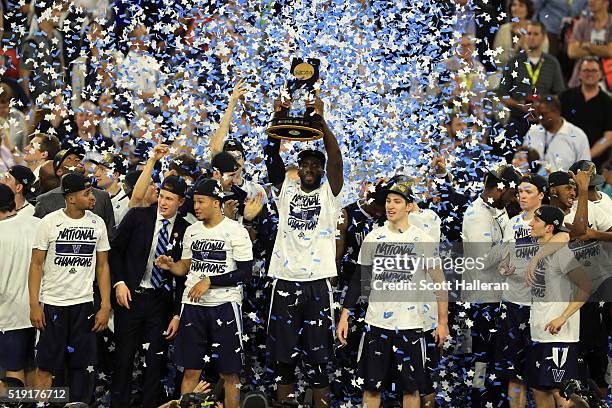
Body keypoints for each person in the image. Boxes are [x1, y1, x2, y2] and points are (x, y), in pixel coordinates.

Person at [337, 177, 449, 408]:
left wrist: (442, 322)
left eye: (397, 201)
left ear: (409, 206)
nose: (390, 206)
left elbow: (440, 283)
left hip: (411, 325)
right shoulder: (374, 237)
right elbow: (359, 279)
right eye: (388, 201)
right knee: (371, 387)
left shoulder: (422, 239)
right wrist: (345, 315)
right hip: (377, 324)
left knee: (411, 389)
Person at [263, 96, 343, 408]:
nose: (309, 169)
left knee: (319, 360)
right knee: (283, 360)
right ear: (298, 168)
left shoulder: (330, 193)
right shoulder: (286, 190)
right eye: (304, 164)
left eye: (315, 165)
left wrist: (321, 123)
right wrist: (278, 117)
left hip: (318, 282)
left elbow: (336, 159)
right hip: (284, 279)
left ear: (321, 171)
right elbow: (271, 155)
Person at [155, 178, 253, 408]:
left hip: (225, 305)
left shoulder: (236, 231)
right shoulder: (192, 230)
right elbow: (185, 267)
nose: (195, 207)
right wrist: (171, 265)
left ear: (216, 202)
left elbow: (245, 273)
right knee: (191, 371)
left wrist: (211, 281)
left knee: (229, 373)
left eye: (200, 202)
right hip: (193, 306)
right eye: (194, 202)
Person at [28, 172, 111, 404]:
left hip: (84, 305)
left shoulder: (97, 223)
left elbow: (103, 267)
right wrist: (34, 304)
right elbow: (35, 265)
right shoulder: (49, 222)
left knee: (81, 368)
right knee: (45, 366)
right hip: (53, 304)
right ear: (71, 197)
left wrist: (105, 305)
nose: (92, 197)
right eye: (87, 193)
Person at [109, 176, 190, 408]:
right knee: (123, 360)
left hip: (160, 303)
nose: (163, 203)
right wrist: (119, 283)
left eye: (170, 199)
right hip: (130, 298)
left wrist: (177, 314)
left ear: (181, 202)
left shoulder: (186, 229)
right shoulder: (138, 216)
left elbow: (184, 276)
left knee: (155, 361)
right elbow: (115, 251)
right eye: (162, 196)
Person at [461, 163, 522, 407]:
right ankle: (479, 401)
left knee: (495, 358)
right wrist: (510, 242)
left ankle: (493, 400)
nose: (514, 198)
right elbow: (483, 260)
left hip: (497, 297)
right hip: (481, 300)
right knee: (480, 359)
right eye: (512, 193)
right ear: (498, 189)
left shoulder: (498, 211)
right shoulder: (476, 215)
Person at [526, 205, 592, 408]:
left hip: (560, 337)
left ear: (548, 227)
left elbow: (586, 287)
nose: (530, 223)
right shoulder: (542, 250)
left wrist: (563, 317)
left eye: (536, 220)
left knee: (562, 394)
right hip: (540, 334)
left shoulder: (562, 254)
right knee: (539, 389)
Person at [496, 174, 552, 408]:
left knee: (542, 380)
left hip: (540, 308)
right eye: (520, 191)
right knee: (514, 373)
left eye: (528, 191)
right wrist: (504, 267)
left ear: (541, 194)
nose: (522, 195)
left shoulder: (552, 222)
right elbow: (503, 259)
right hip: (513, 303)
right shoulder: (513, 223)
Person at [498, 22, 566, 153]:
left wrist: (544, 105)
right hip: (518, 117)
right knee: (509, 152)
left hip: (544, 120)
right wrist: (521, 106)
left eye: (536, 34)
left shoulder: (552, 63)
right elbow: (502, 94)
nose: (532, 37)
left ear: (543, 37)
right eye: (529, 33)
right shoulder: (514, 62)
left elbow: (560, 94)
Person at [0, 184, 39, 386]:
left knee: (13, 370)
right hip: (41, 312)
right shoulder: (38, 224)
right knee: (33, 367)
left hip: (8, 316)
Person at [35, 148, 115, 237]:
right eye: (69, 158)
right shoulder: (45, 201)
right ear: (59, 171)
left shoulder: (102, 197)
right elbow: (38, 239)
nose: (77, 160)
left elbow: (110, 237)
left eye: (78, 158)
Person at [560, 57, 612, 170]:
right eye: (586, 70)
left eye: (593, 71)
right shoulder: (565, 97)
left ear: (600, 74)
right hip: (564, 158)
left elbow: (607, 138)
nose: (590, 74)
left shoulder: (608, 102)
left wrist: (586, 156)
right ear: (579, 74)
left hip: (595, 163)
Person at [524, 96, 591, 172]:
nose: (540, 118)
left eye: (543, 114)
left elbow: (585, 171)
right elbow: (522, 161)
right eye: (538, 114)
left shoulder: (577, 136)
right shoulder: (532, 132)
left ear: (557, 112)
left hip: (565, 183)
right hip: (532, 183)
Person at [567, 0, 612, 88]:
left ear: (606, 2)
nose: (591, 2)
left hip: (608, 78)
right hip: (580, 79)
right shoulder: (582, 24)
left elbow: (610, 51)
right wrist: (602, 49)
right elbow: (572, 52)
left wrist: (586, 45)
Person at [493, 0, 550, 69]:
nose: (516, 8)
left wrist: (525, 47)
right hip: (506, 71)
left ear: (528, 9)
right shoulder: (503, 29)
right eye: (514, 5)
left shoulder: (537, 29)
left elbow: (543, 55)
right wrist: (515, 50)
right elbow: (497, 59)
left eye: (521, 6)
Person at [92, 153, 129, 226]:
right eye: (98, 169)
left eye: (102, 169)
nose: (97, 174)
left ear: (115, 175)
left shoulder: (127, 200)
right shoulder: (95, 197)